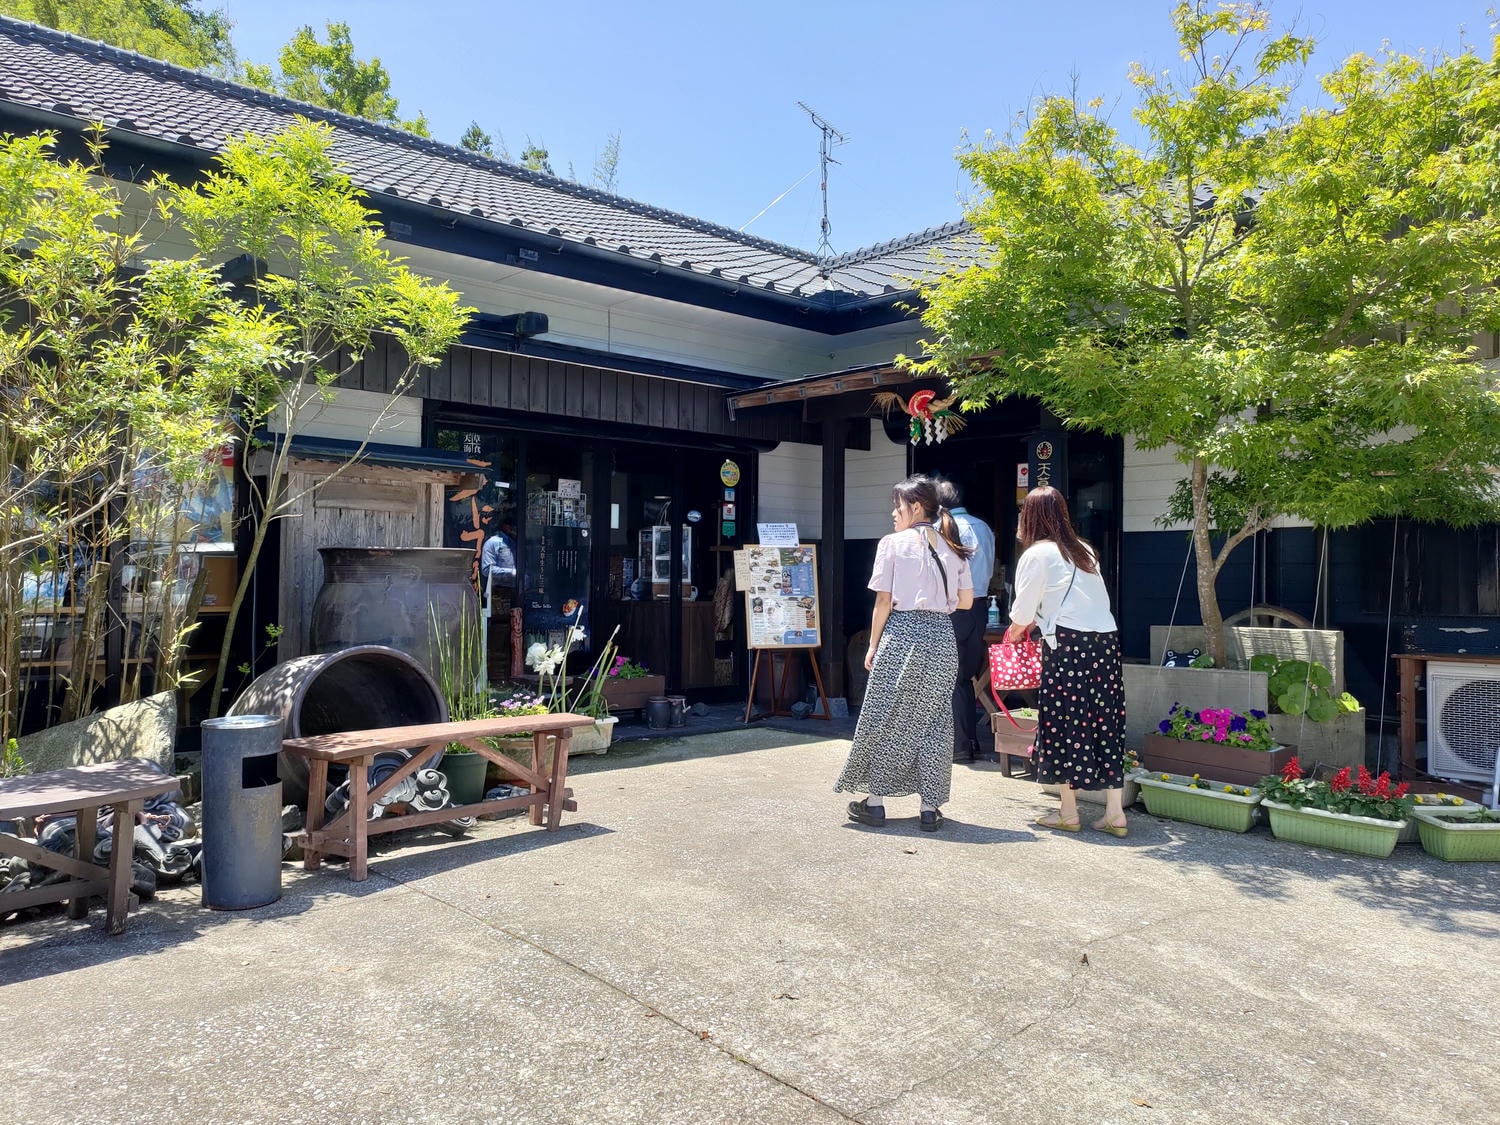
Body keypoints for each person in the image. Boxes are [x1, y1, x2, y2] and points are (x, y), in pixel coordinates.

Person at [835, 474, 974, 832]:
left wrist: (872, 643)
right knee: (935, 721)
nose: (893, 513)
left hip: (902, 633)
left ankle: (876, 803)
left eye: (897, 507)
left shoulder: (892, 544)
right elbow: (967, 601)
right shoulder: (952, 544)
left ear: (914, 507)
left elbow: (883, 599)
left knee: (885, 715)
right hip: (942, 637)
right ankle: (929, 809)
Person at [1004, 486, 1128, 836]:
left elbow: (1023, 612)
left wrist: (1014, 632)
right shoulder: (1084, 549)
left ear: (1030, 517)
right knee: (1106, 721)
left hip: (1067, 645)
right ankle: (1115, 813)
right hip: (1105, 642)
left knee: (1064, 722)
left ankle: (1069, 812)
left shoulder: (1036, 555)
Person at [935, 477, 996, 764]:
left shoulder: (939, 529)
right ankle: (969, 740)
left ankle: (959, 745)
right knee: (965, 676)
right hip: (979, 606)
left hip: (952, 608)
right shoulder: (983, 527)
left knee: (950, 677)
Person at [479, 519, 517, 598]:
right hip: (498, 592)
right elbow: (487, 570)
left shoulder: (515, 542)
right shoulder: (492, 542)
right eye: (510, 524)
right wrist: (513, 572)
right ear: (504, 526)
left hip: (517, 589)